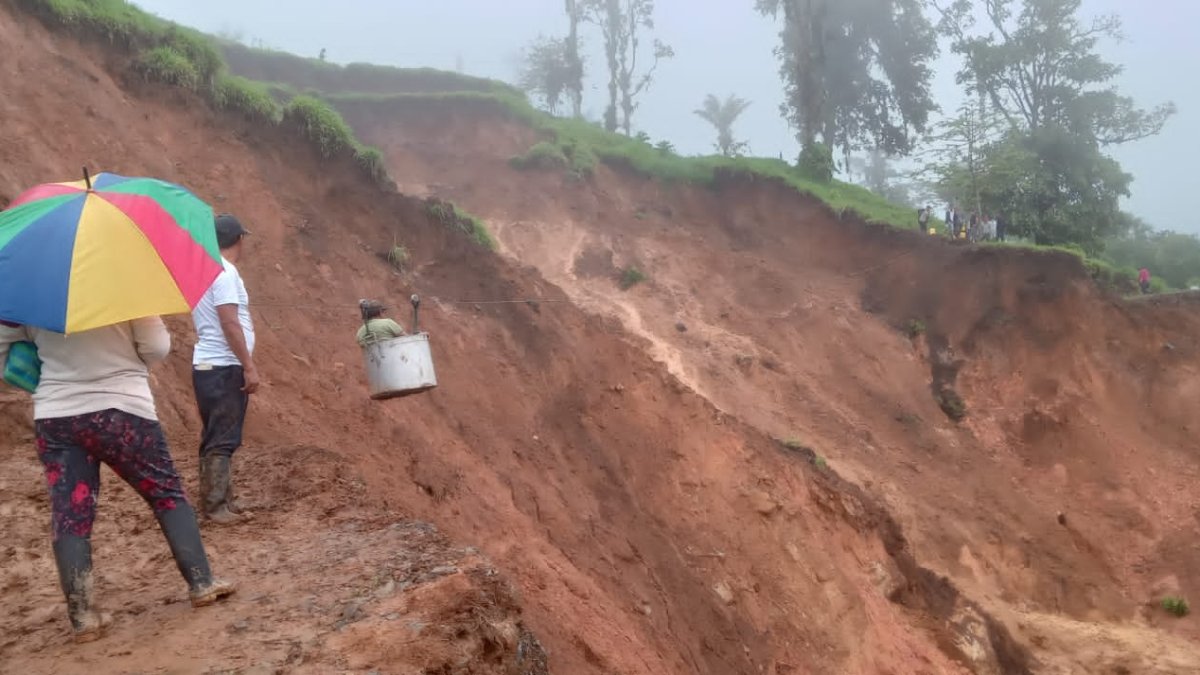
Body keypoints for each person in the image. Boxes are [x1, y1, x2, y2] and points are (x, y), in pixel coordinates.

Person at [0, 319, 235, 643]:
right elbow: (156, 346)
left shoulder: (30, 290)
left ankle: (82, 617)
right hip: (123, 408)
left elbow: (3, 349)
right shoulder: (125, 279)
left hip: (56, 416)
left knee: (70, 514)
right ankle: (201, 582)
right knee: (166, 493)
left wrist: (48, 380)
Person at [191, 214, 259, 524]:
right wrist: (248, 365)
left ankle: (222, 497)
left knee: (215, 433)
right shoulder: (225, 272)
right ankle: (216, 505)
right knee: (222, 437)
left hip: (207, 366)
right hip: (223, 366)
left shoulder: (203, 271)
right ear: (239, 240)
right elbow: (229, 321)